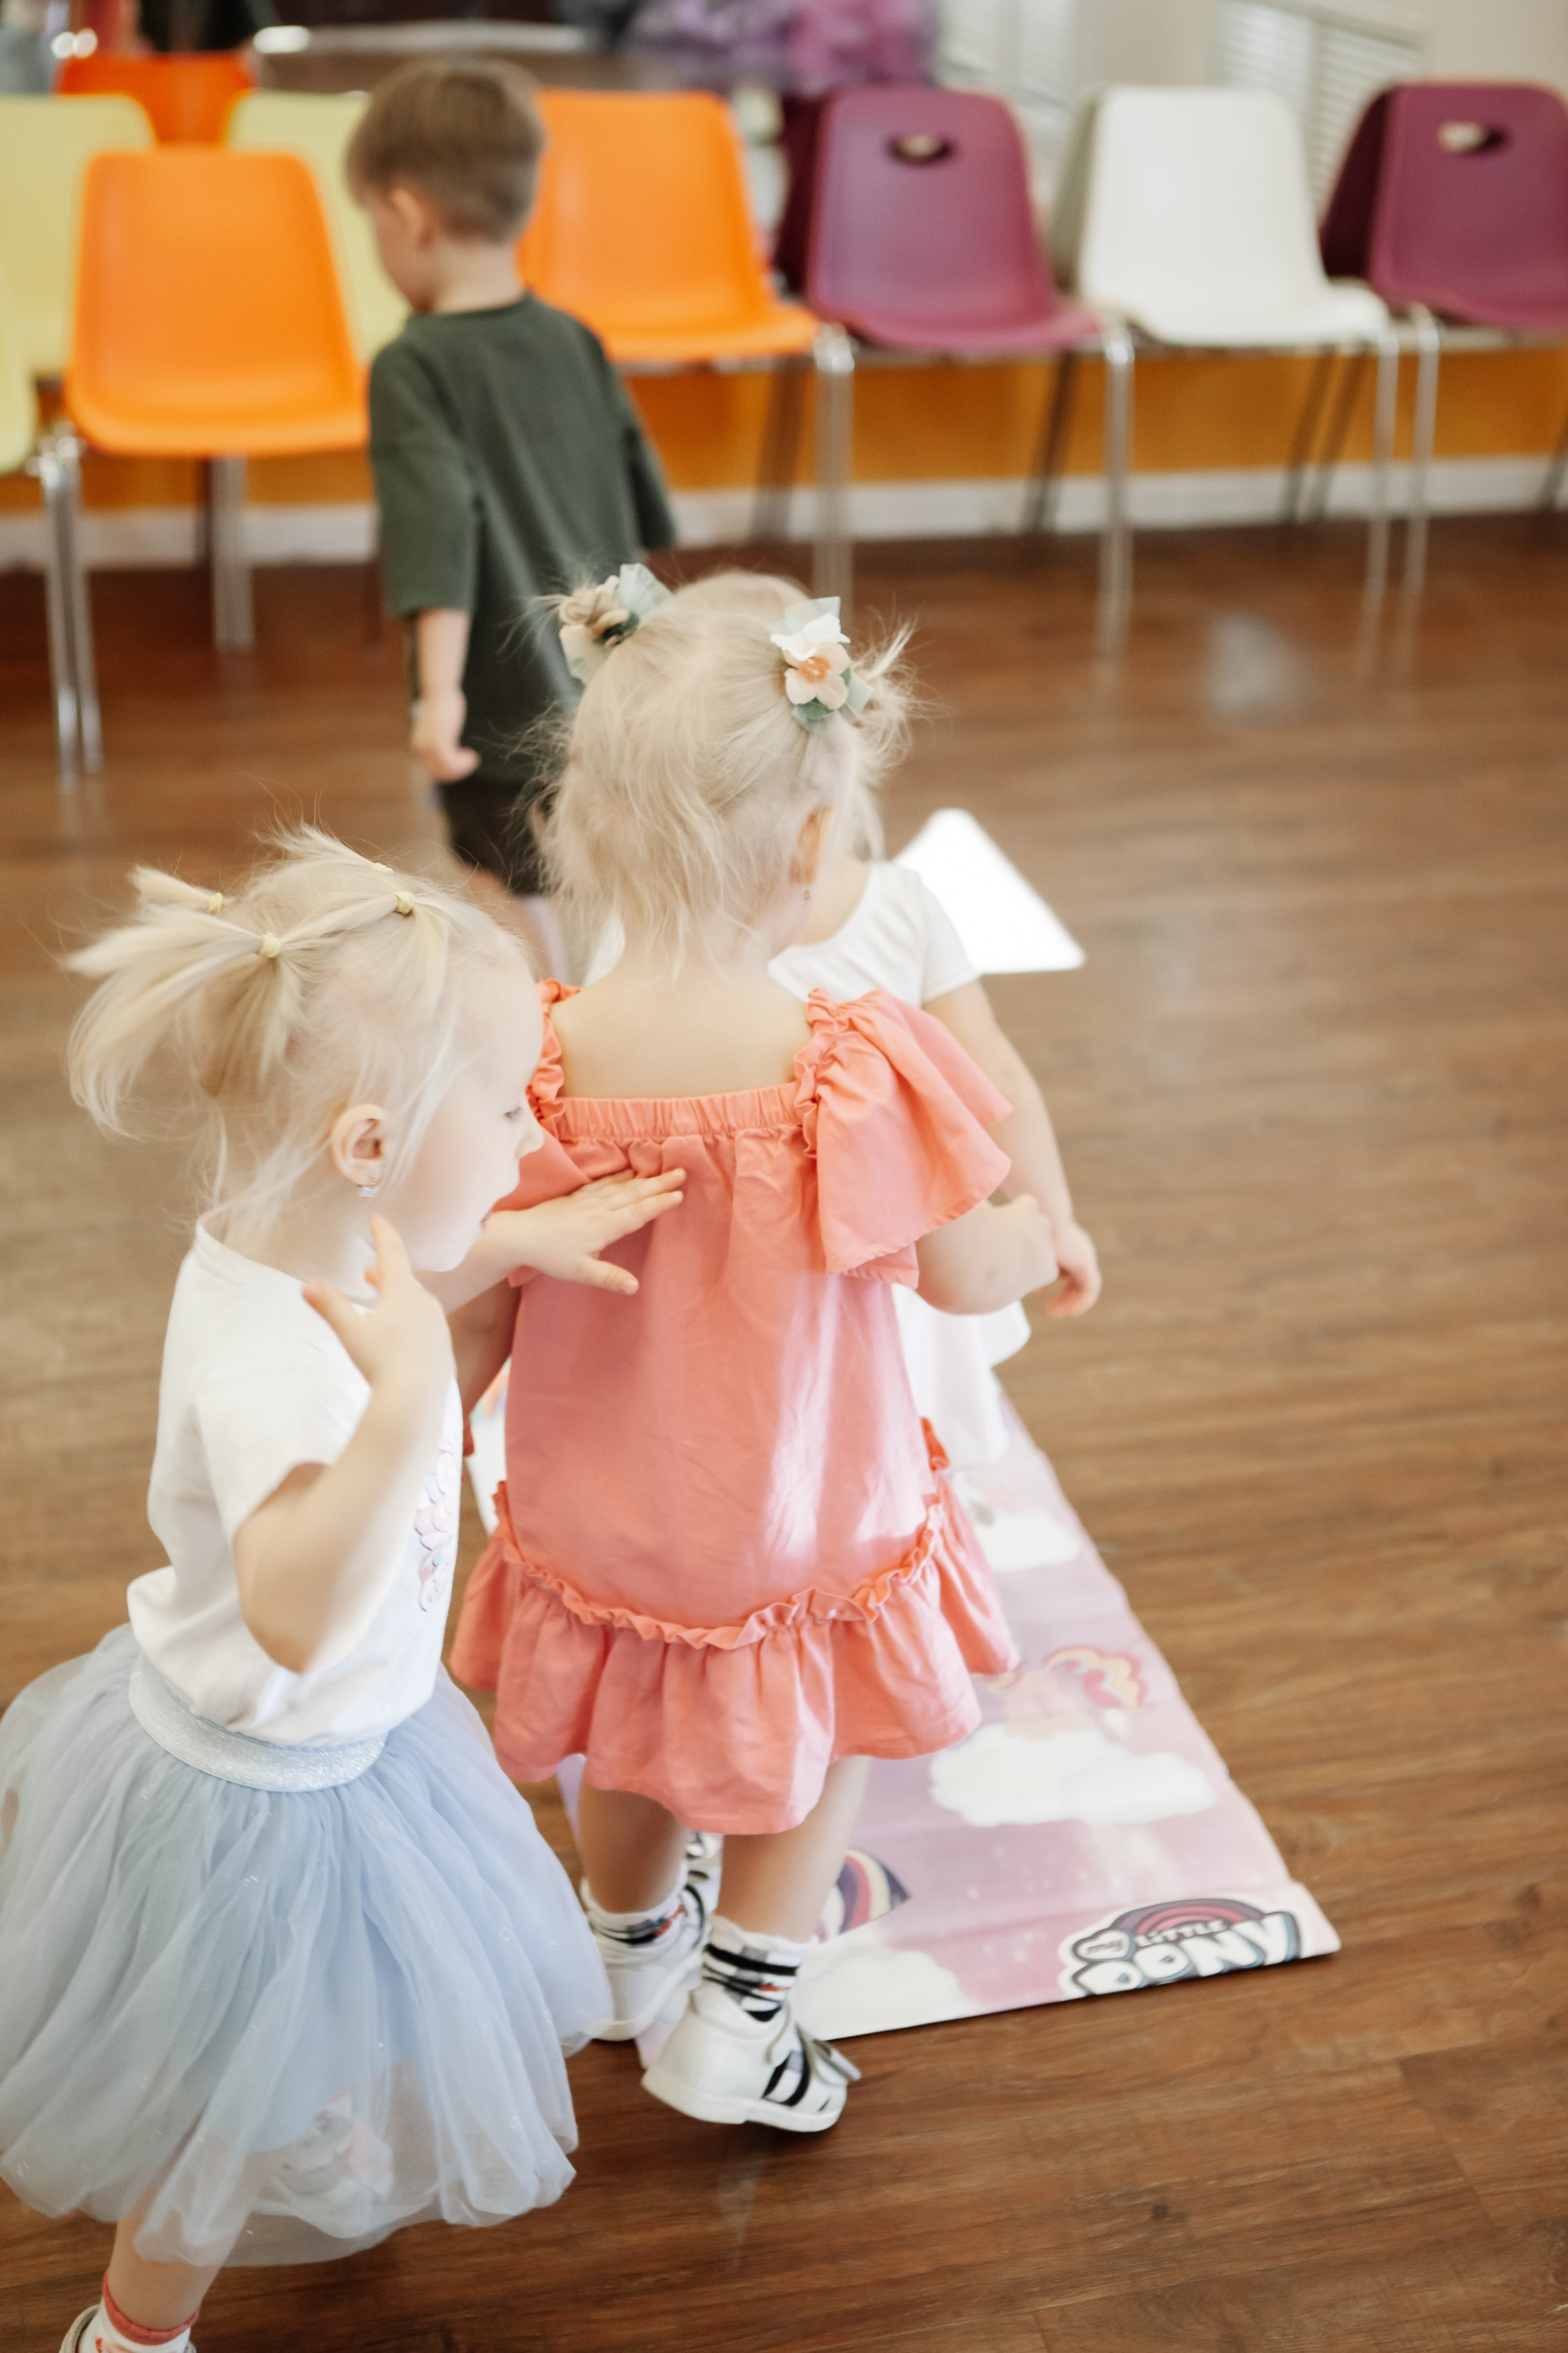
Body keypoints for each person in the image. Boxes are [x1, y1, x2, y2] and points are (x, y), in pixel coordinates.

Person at [0, 832, 684, 2353]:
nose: (530, 1133)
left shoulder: (309, 1247)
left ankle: (300, 2103)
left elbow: (395, 1273)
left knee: (336, 2010)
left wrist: (507, 1241)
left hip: (355, 1751)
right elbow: (295, 1609)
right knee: (214, 2117)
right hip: (264, 1801)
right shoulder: (283, 1372)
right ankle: (132, 2328)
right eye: (505, 1111)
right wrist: (407, 1405)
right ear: (369, 1143)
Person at [446, 574, 1059, 2134]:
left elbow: (475, 1296)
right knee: (819, 1716)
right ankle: (747, 2011)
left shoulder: (535, 1053)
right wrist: (1040, 1236)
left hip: (597, 1509)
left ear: (579, 832)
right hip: (799, 1513)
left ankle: (622, 1950)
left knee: (636, 1721)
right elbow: (964, 1264)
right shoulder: (846, 1063)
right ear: (810, 847)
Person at [694, 571, 1103, 1470]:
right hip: (902, 1275)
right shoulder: (901, 908)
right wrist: (1052, 1218)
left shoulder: (647, 936)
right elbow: (996, 1075)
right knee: (892, 1465)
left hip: (724, 1287)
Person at [349, 59, 677, 971]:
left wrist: (439, 698)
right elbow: (638, 503)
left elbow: (436, 533)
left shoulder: (413, 366)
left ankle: (554, 1018)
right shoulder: (574, 338)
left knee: (497, 873)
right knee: (602, 857)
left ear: (408, 215)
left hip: (499, 695)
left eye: (371, 220)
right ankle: (614, 995)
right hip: (612, 678)